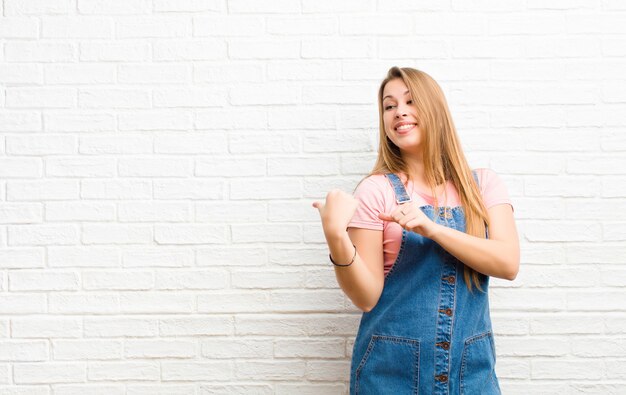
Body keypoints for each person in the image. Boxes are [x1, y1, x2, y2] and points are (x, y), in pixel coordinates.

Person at [312, 66, 519, 394]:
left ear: (435, 109)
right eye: (389, 105)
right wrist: (337, 238)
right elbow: (366, 297)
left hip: (471, 374)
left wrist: (433, 229)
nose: (399, 112)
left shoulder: (483, 186)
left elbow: (507, 263)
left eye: (410, 101)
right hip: (391, 374)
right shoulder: (376, 190)